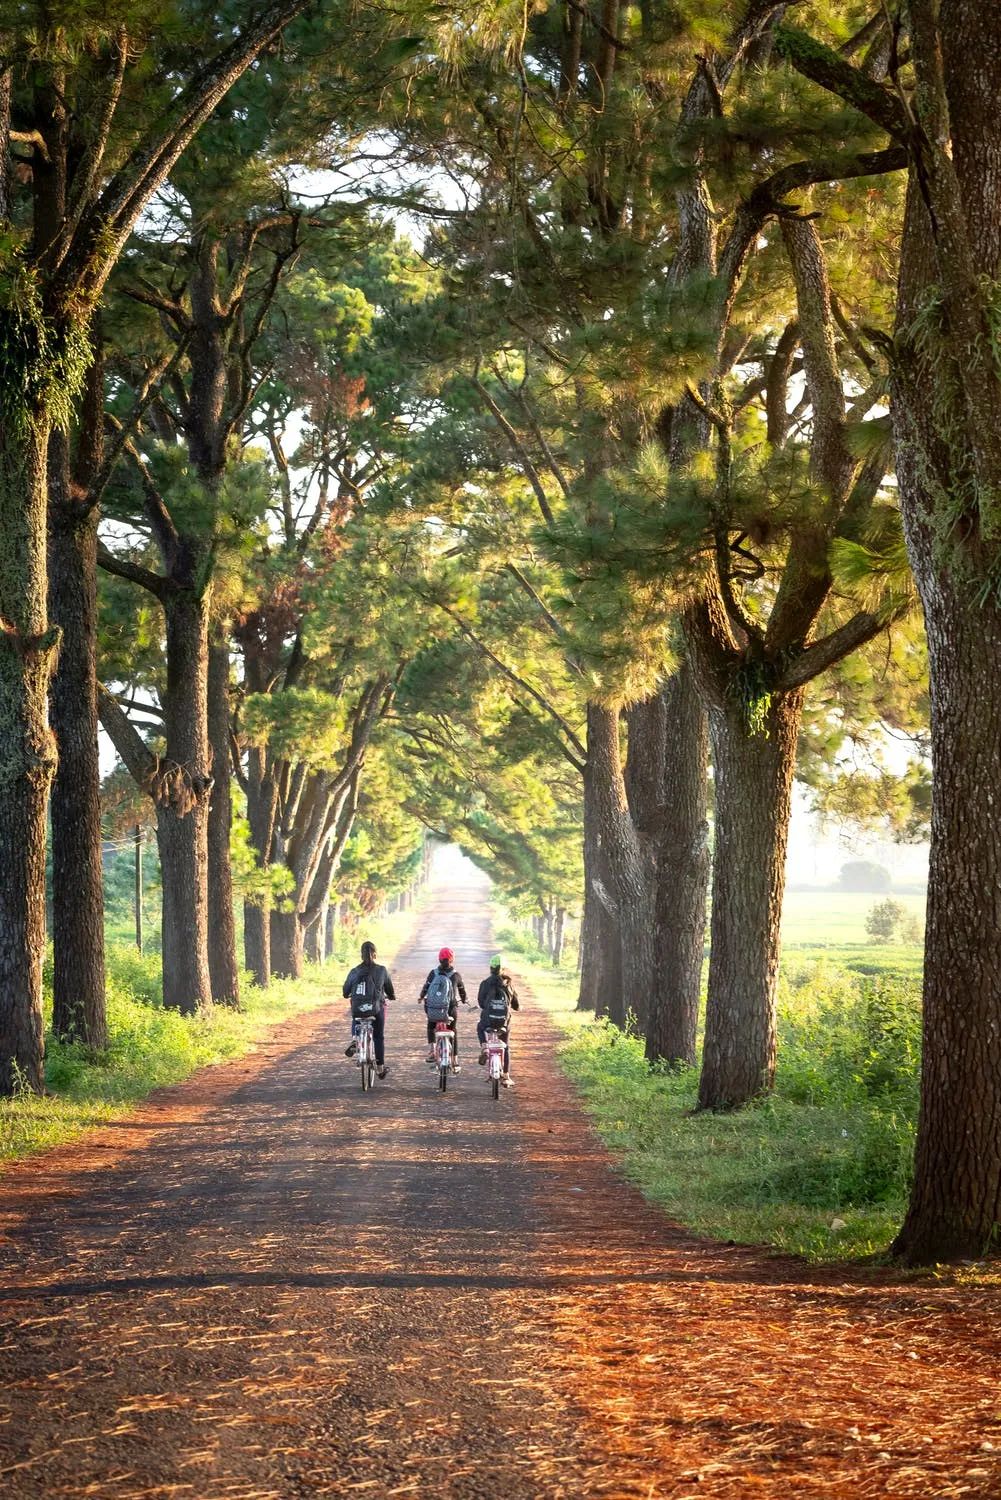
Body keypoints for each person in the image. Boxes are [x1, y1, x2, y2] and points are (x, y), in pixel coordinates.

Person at [343, 940, 395, 1079]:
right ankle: (380, 1068)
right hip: (376, 1009)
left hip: (358, 1008)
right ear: (375, 955)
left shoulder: (354, 971)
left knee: (356, 1014)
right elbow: (390, 990)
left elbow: (345, 991)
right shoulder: (382, 970)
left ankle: (355, 1038)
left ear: (361, 955)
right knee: (378, 1036)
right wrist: (391, 996)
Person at [419, 947, 467, 1071]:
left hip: (434, 1010)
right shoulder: (456, 975)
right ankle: (455, 1060)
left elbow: (426, 988)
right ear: (452, 960)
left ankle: (432, 1051)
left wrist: (421, 997)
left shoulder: (433, 973)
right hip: (450, 1010)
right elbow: (462, 992)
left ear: (439, 959)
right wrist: (465, 999)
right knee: (453, 1030)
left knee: (431, 1026)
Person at [476, 955, 520, 1087]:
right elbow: (516, 1005)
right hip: (503, 1023)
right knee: (505, 1045)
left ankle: (484, 1046)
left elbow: (481, 1002)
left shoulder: (485, 983)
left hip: (488, 1021)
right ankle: (506, 1076)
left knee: (480, 1027)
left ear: (491, 968)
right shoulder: (508, 984)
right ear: (503, 969)